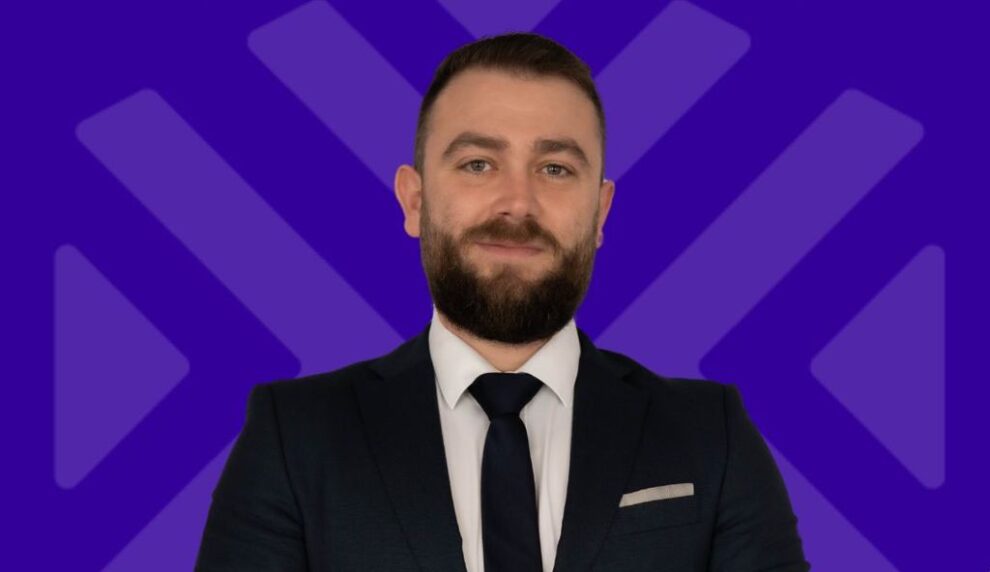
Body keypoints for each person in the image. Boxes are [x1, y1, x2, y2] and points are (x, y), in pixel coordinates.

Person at [195, 32, 810, 572]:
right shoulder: (296, 435)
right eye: (478, 163)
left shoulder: (710, 434)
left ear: (600, 213)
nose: (517, 202)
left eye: (555, 168)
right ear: (414, 201)